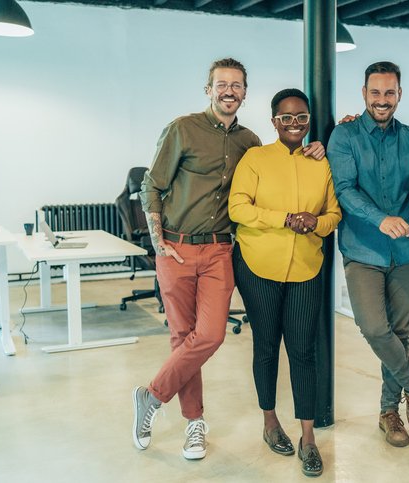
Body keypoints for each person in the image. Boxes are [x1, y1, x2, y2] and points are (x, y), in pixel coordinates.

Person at [132, 59, 325, 461]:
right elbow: (151, 184)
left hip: (221, 249)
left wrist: (316, 148)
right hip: (177, 248)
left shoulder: (250, 142)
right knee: (182, 337)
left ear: (244, 92)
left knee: (210, 335)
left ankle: (150, 395)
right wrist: (157, 242)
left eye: (237, 85)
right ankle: (194, 425)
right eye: (222, 84)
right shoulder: (182, 129)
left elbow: (273, 172)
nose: (229, 91)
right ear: (209, 90)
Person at [229, 88, 341, 477]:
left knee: (304, 352)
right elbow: (237, 207)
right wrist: (285, 218)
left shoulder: (320, 162)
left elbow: (333, 213)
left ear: (309, 120)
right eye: (286, 118)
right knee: (265, 347)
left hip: (306, 268)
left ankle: (308, 437)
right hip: (257, 264)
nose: (295, 124)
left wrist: (316, 223)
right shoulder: (255, 158)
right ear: (274, 121)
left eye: (302, 117)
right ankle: (270, 422)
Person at [327, 61, 409, 448]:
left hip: (405, 249)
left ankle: (389, 412)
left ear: (399, 95)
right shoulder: (343, 136)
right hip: (362, 248)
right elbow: (344, 190)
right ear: (363, 94)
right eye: (375, 92)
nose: (382, 100)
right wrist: (381, 219)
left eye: (389, 93)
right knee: (374, 327)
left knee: (401, 332)